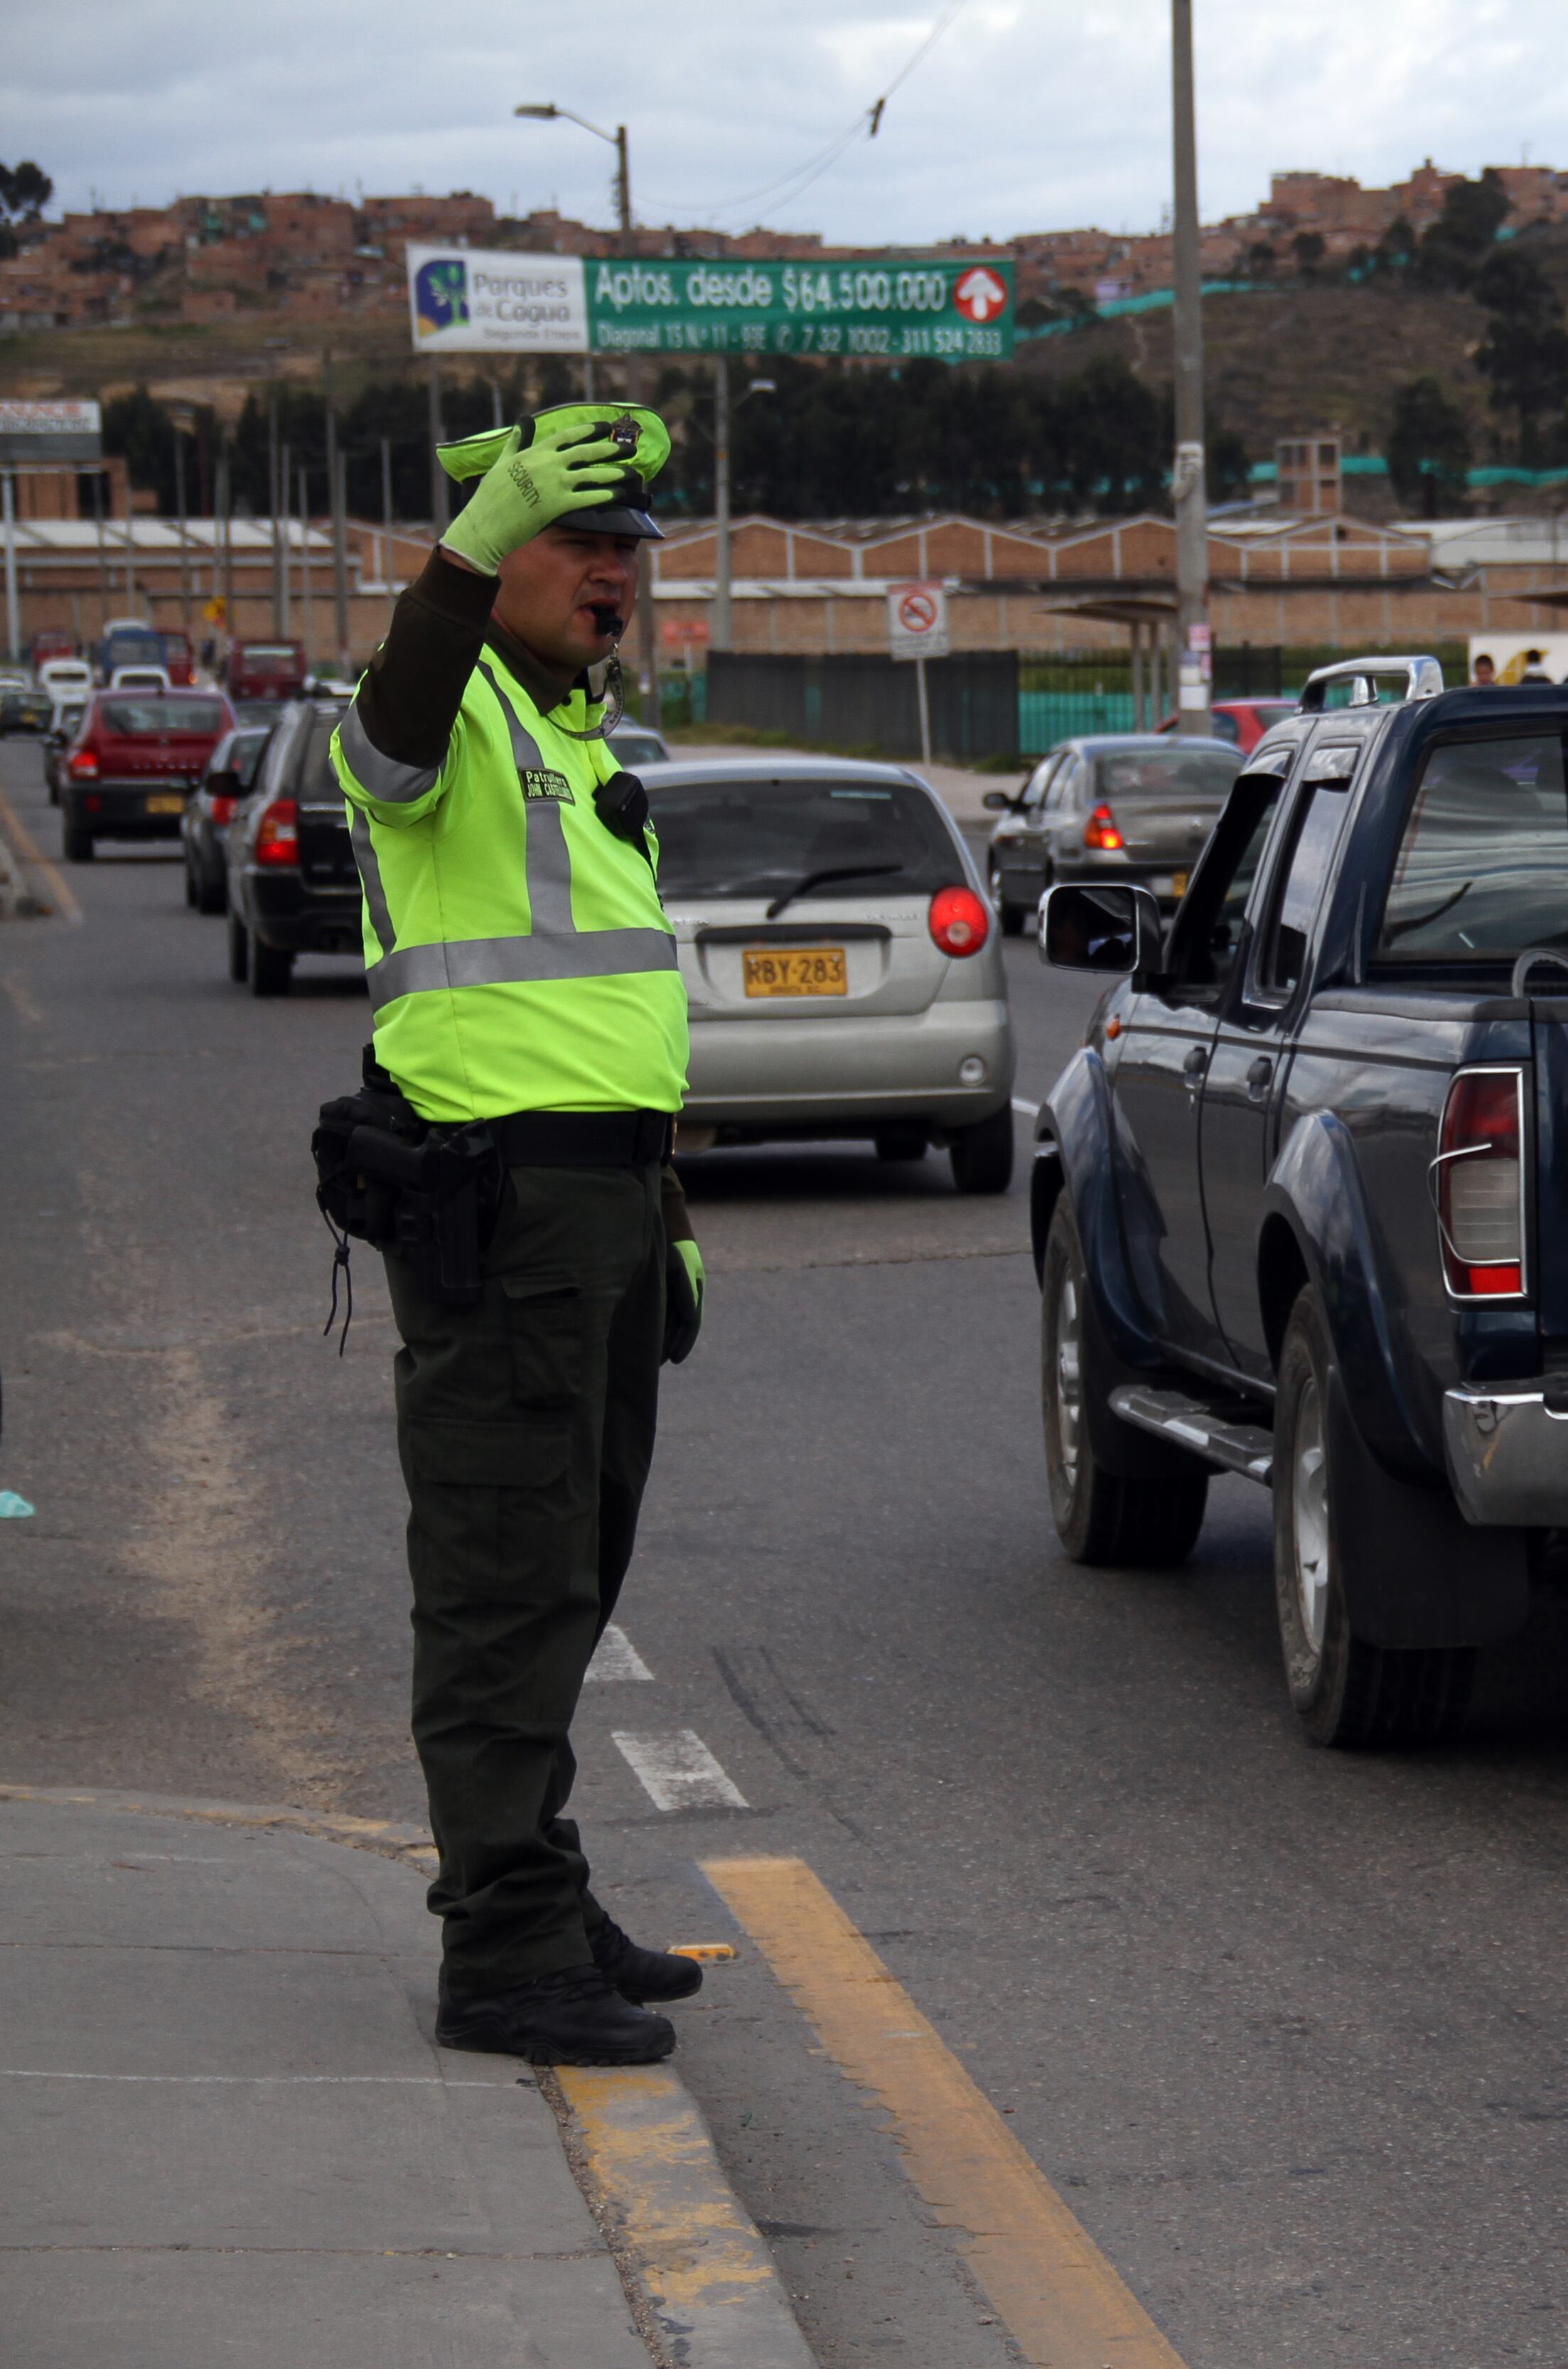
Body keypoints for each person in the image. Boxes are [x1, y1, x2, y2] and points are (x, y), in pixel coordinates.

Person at [331, 405, 707, 2066]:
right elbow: (392, 727)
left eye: (633, 547)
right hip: (500, 1208)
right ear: (504, 551)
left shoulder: (574, 733)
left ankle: (541, 1883)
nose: (617, 572)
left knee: (574, 1570)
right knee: (502, 1582)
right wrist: (470, 545)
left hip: (601, 1206)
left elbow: (613, 1020)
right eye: (585, 541)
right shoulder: (442, 708)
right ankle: (500, 1952)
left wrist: (665, 1210)